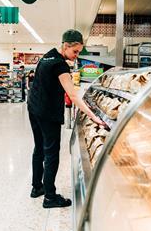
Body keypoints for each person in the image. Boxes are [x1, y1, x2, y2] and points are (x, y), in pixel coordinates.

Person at [27, 29, 104, 208]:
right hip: (47, 114)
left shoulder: (47, 56)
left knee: (39, 149)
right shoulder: (60, 65)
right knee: (51, 153)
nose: (76, 56)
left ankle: (37, 187)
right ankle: (50, 197)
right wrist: (93, 116)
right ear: (65, 46)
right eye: (75, 51)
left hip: (34, 109)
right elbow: (74, 96)